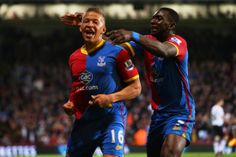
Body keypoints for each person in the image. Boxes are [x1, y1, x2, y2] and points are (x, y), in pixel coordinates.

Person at [60, 7, 196, 157]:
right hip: (159, 114)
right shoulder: (147, 42)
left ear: (171, 26)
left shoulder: (178, 42)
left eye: (159, 18)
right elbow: (112, 46)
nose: (153, 21)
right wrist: (88, 25)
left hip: (180, 112)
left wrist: (132, 35)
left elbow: (163, 50)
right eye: (153, 18)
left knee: (169, 153)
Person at [62, 8, 141, 157]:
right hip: (85, 122)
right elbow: (78, 87)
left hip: (111, 118)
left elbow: (136, 88)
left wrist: (110, 98)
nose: (90, 24)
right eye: (86, 21)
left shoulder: (117, 52)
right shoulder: (74, 57)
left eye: (95, 22)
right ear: (80, 27)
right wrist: (71, 103)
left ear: (103, 29)